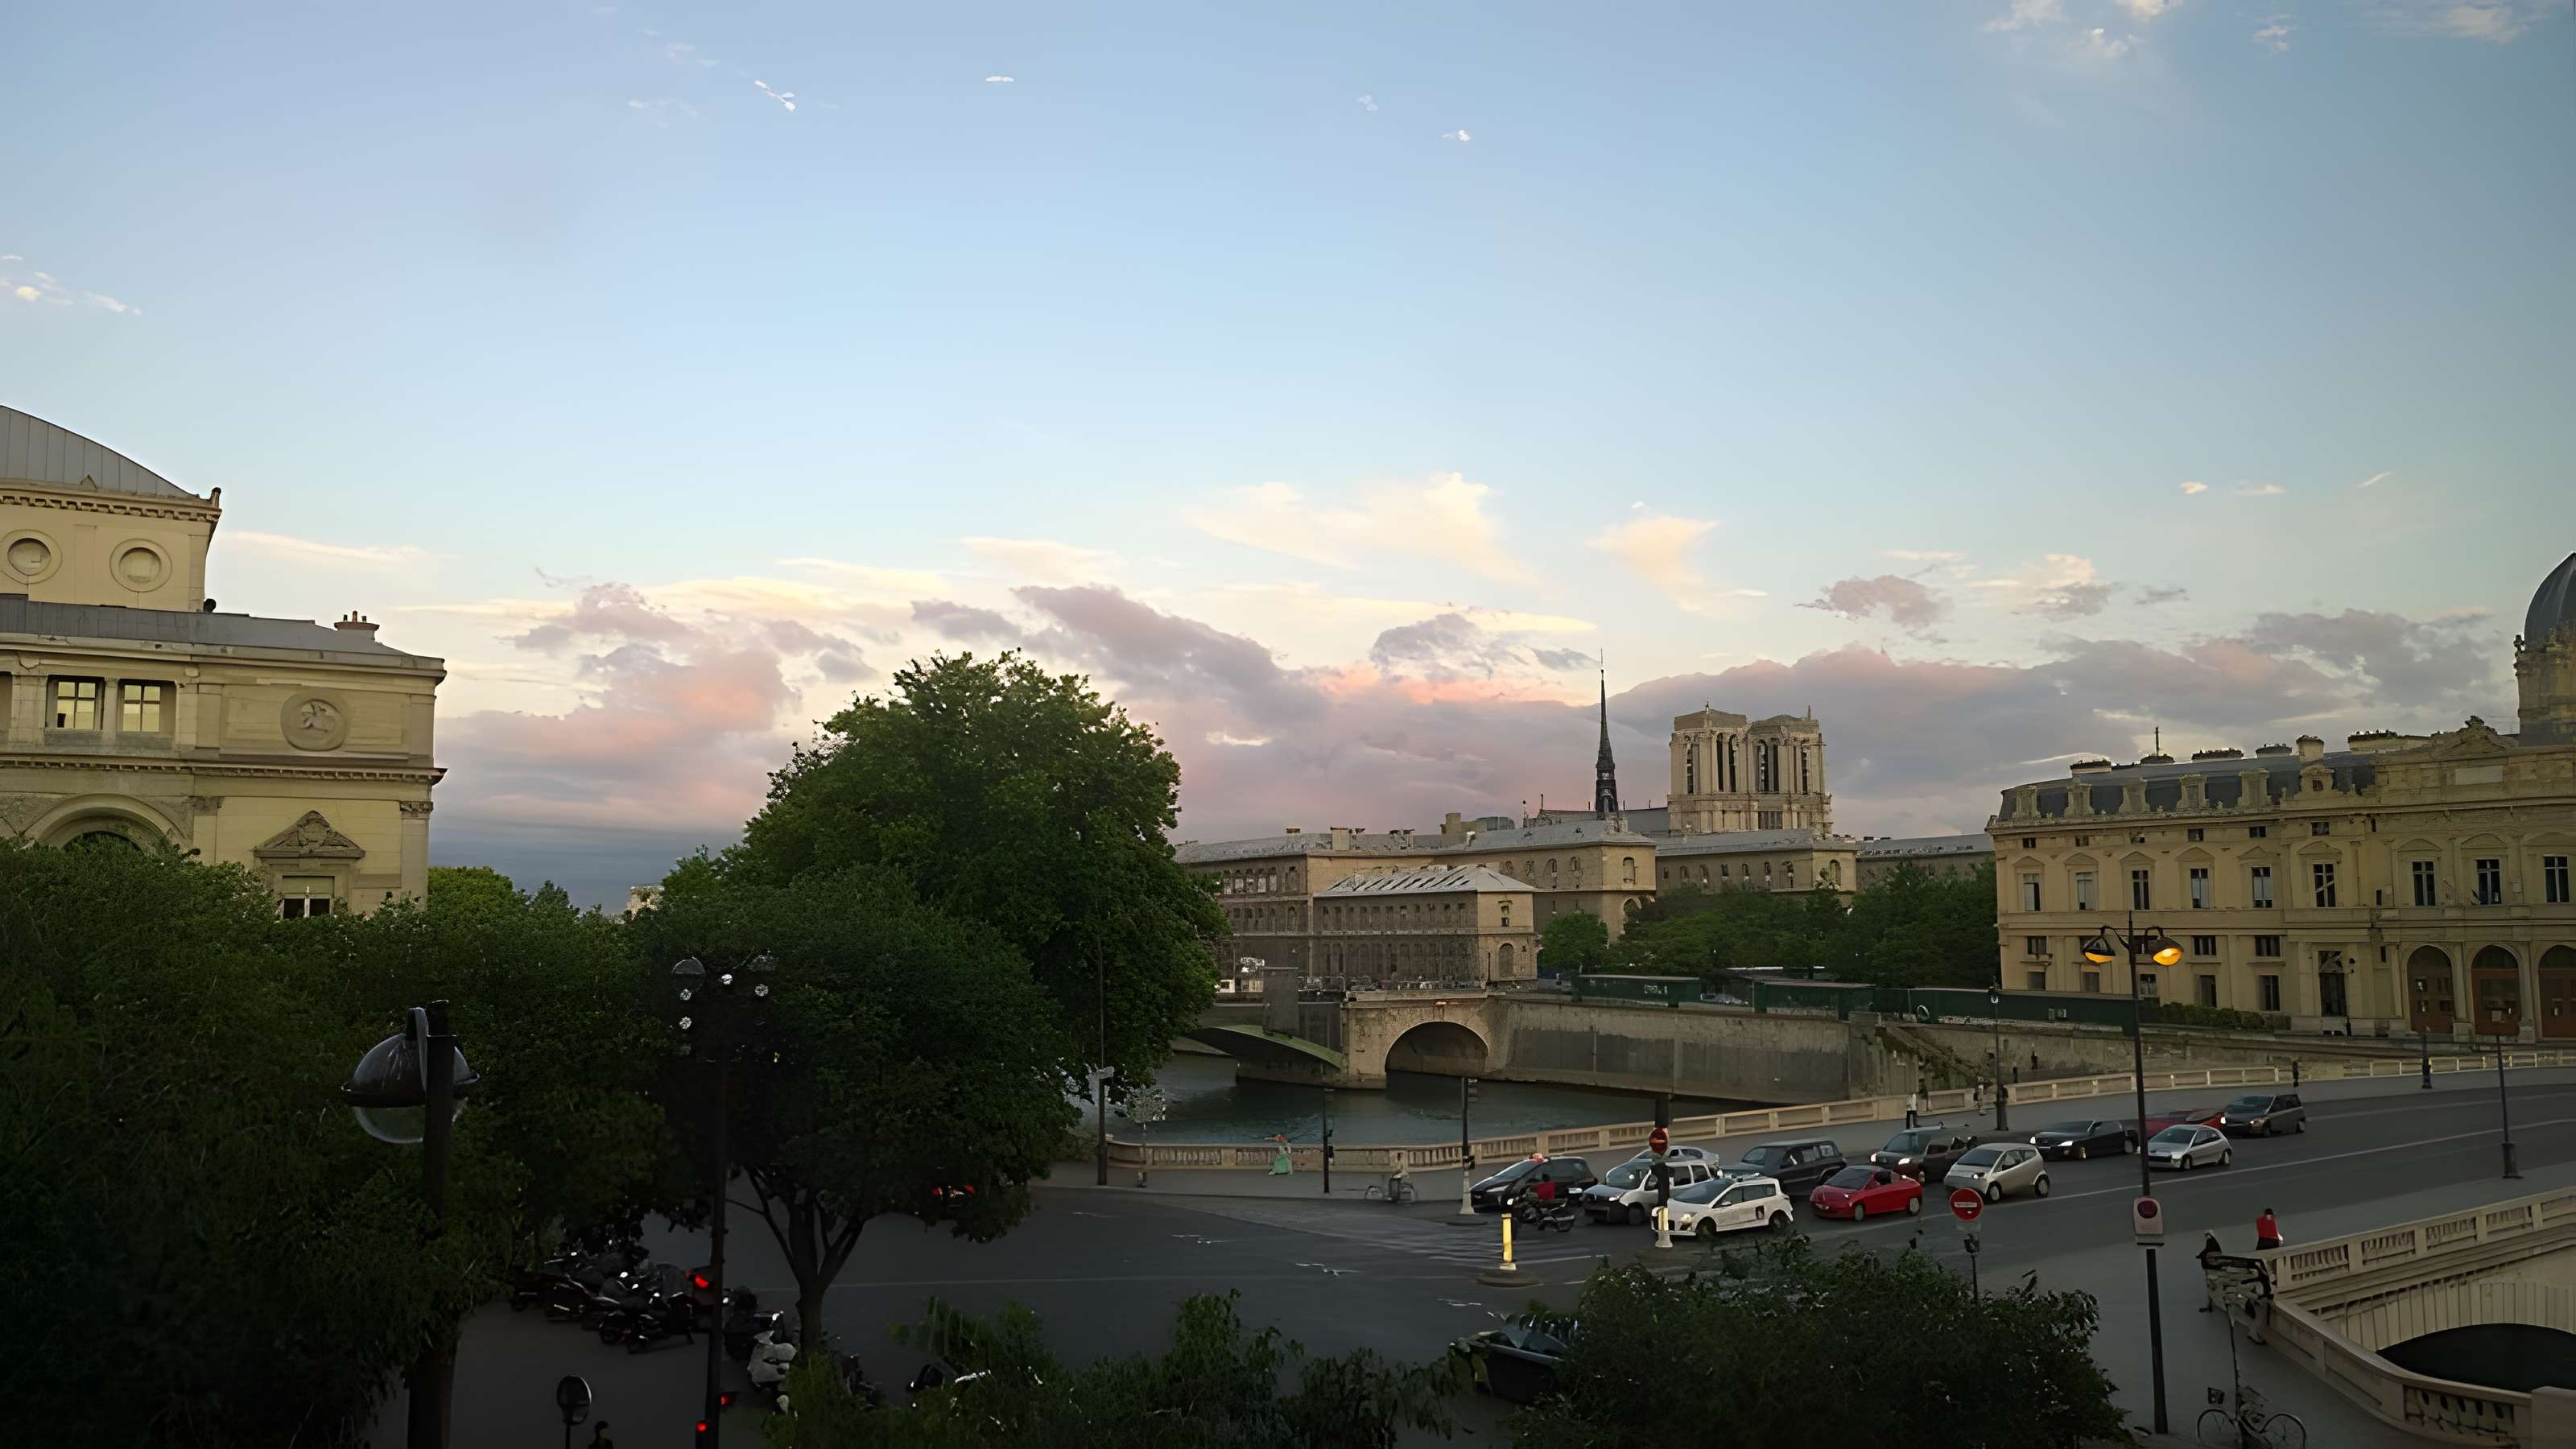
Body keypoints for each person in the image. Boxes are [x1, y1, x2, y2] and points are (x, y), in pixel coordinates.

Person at [2198, 1230, 2227, 1312]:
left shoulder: (2210, 1243)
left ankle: (2211, 1303)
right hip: (2213, 1267)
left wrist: (2201, 1255)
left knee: (2212, 1285)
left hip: (2211, 1268)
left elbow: (2207, 1251)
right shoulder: (2214, 1243)